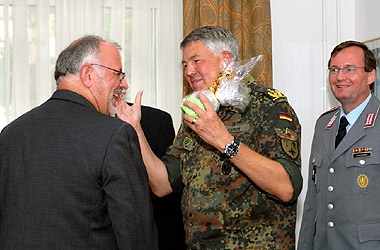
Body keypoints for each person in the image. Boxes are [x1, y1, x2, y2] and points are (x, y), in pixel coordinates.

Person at [117, 26, 302, 249]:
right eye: (185, 64)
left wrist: (224, 141)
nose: (189, 71)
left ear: (225, 60)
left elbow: (286, 187)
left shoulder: (269, 106)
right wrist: (135, 129)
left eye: (196, 61)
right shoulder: (197, 112)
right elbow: (162, 184)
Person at [0, 35, 158, 250]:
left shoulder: (11, 133)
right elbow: (135, 236)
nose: (125, 84)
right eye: (118, 74)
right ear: (88, 74)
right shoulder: (114, 135)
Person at [298, 41, 378, 249]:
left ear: (371, 75)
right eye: (334, 70)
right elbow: (312, 201)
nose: (340, 77)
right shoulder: (324, 124)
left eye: (349, 69)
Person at [138, 104, 186, 250]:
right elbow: (163, 184)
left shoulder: (156, 122)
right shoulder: (192, 122)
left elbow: (167, 201)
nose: (123, 85)